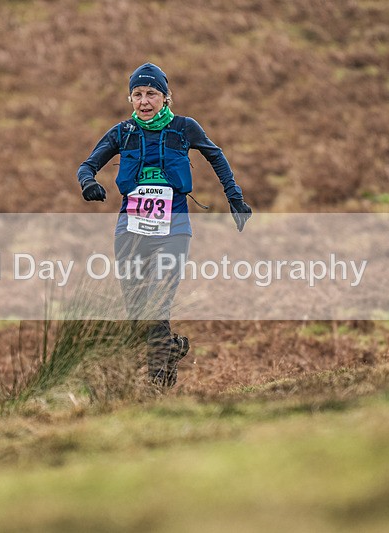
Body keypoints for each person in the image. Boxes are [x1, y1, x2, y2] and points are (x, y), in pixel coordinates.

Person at [76, 62, 252, 387]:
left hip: (174, 229)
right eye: (138, 94)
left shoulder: (185, 128)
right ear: (130, 99)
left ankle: (157, 388)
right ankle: (170, 350)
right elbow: (87, 165)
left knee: (157, 303)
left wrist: (234, 197)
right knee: (136, 312)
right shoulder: (122, 132)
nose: (144, 101)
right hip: (130, 230)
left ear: (166, 96)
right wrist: (88, 183)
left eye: (152, 94)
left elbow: (216, 155)